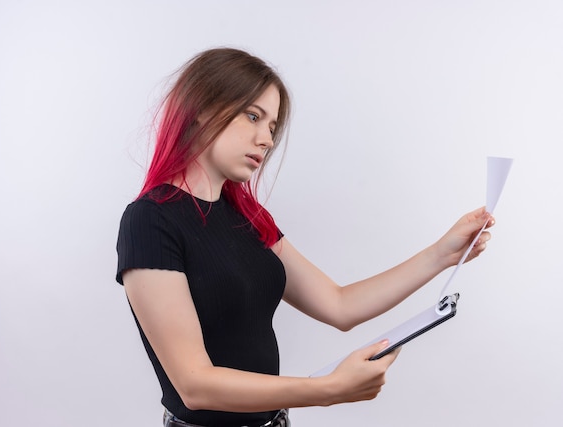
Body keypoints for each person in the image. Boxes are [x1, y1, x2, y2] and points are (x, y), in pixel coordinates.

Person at [115, 47, 494, 427]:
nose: (265, 139)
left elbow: (339, 305)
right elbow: (195, 386)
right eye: (253, 116)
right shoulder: (150, 221)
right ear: (202, 107)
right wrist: (329, 390)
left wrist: (442, 254)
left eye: (272, 127)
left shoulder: (248, 218)